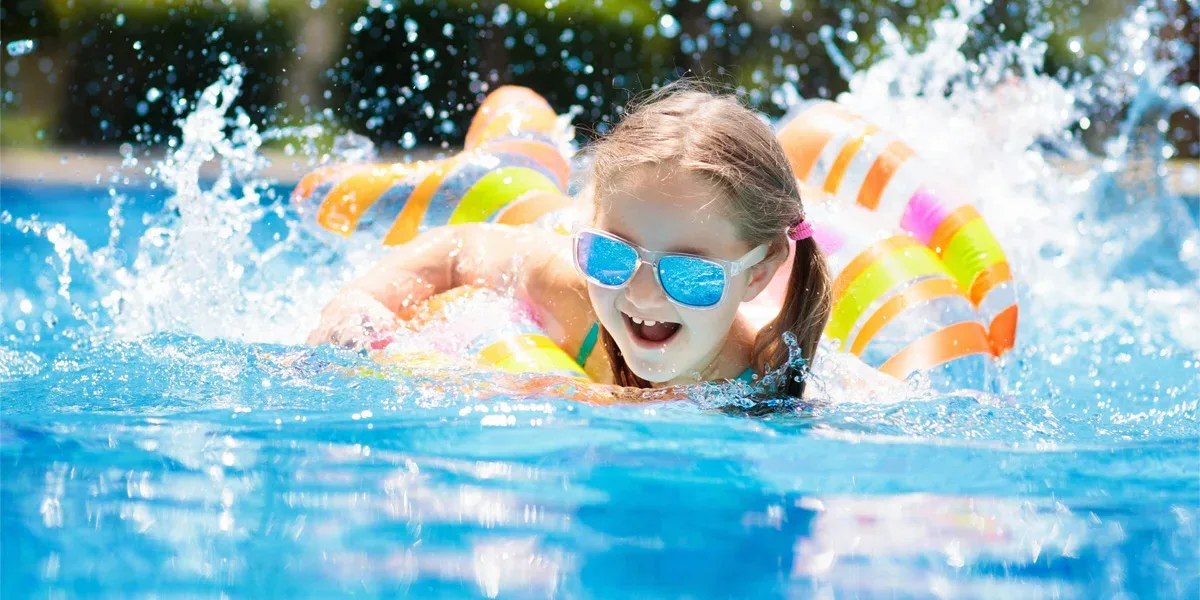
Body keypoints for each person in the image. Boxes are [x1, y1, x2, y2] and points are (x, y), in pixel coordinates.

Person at [307, 81, 833, 399]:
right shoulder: (577, 292)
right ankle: (502, 161)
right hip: (544, 224)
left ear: (758, 274)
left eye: (688, 273)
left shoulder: (779, 379)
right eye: (610, 255)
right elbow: (465, 249)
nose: (642, 295)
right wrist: (363, 301)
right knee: (514, 196)